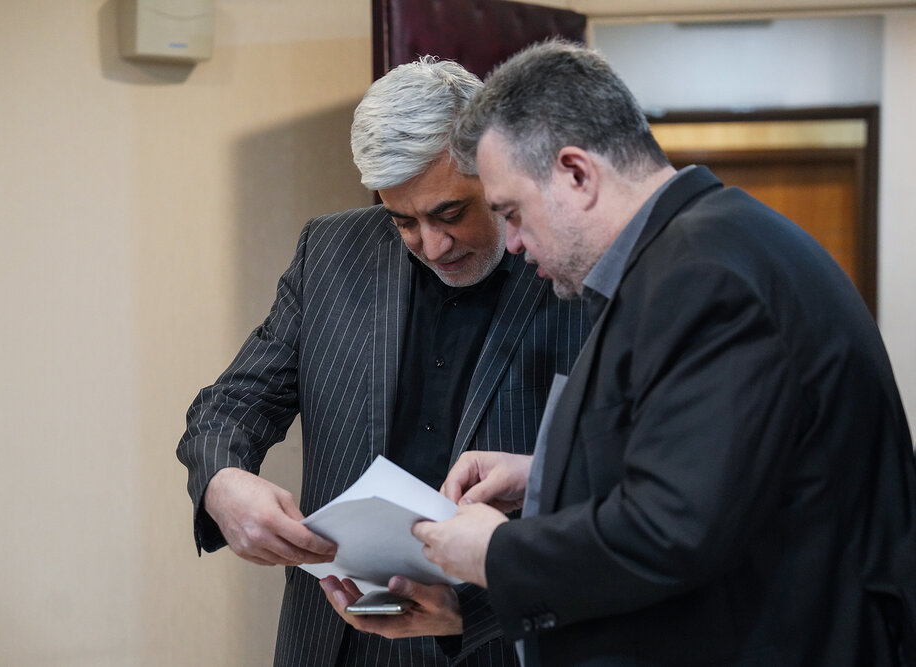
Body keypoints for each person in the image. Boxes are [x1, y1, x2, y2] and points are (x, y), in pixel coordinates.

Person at [412, 39, 916, 665]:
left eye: (512, 212)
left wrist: (496, 554)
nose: (512, 242)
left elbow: (674, 527)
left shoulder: (705, 277)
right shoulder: (702, 249)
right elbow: (720, 467)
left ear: (576, 174)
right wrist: (545, 476)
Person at [176, 56, 590, 666]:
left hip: (493, 633)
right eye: (404, 221)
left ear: (495, 165)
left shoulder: (574, 263)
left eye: (450, 213)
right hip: (337, 633)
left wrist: (482, 604)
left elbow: (614, 480)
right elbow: (233, 403)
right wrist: (222, 482)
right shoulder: (331, 250)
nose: (433, 245)